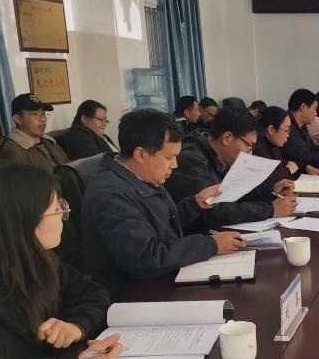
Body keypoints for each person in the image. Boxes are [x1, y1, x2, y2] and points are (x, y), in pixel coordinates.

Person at [0, 162, 122, 359]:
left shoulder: (39, 262)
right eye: (55, 209)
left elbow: (93, 293)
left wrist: (75, 326)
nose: (63, 216)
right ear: (25, 220)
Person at [82, 109, 245, 294]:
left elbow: (162, 224)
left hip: (162, 277)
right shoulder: (109, 194)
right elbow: (145, 258)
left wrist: (194, 203)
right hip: (134, 293)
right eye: (169, 157)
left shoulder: (141, 174)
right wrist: (211, 245)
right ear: (140, 154)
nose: (175, 165)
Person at [165, 106, 297, 229]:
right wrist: (270, 209)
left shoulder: (220, 156)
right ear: (227, 138)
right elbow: (214, 211)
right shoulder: (191, 160)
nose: (250, 153)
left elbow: (236, 191)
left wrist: (271, 190)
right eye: (248, 145)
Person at [0, 94, 69, 172]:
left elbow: (70, 167)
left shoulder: (50, 142)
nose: (43, 119)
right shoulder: (12, 150)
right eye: (36, 114)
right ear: (18, 119)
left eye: (43, 113)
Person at [255, 106, 319, 185]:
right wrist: (288, 171)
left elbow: (280, 163)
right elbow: (265, 181)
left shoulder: (271, 141)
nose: (288, 135)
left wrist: (305, 168)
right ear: (271, 129)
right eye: (286, 130)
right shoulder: (256, 147)